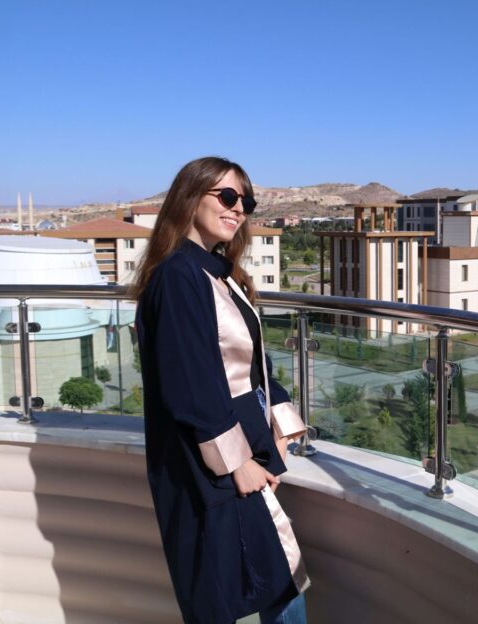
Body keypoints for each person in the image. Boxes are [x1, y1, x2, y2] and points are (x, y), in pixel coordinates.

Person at [132, 157, 310, 623]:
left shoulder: (215, 273)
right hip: (210, 459)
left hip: (241, 444)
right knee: (249, 587)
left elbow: (252, 364)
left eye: (246, 202)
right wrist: (237, 463)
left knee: (273, 580)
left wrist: (280, 428)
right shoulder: (178, 276)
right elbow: (188, 381)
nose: (238, 209)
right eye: (227, 196)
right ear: (189, 198)